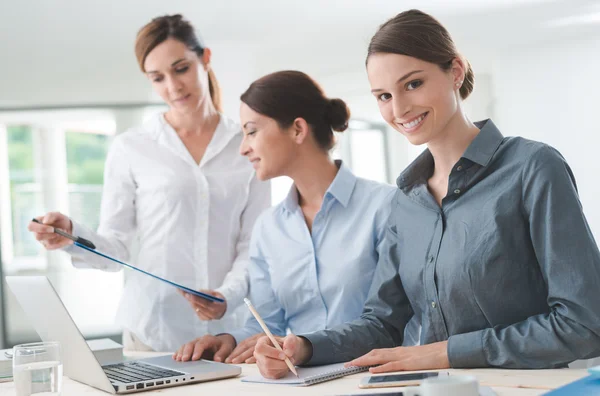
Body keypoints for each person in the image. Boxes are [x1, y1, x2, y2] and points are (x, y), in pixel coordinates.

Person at [253, 9, 600, 378]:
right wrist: (305, 346)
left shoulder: (532, 167)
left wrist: (447, 352)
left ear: (455, 72)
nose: (399, 109)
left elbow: (584, 324)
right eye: (384, 95)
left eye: (413, 84)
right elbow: (383, 323)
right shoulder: (405, 200)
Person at [27, 14, 271, 352]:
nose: (173, 87)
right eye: (158, 77)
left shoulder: (246, 144)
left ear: (205, 58)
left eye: (181, 68)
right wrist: (70, 233)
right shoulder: (133, 147)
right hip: (151, 329)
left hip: (227, 333)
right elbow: (116, 248)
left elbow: (253, 246)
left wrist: (226, 296)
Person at [172, 70, 420, 364]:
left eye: (252, 131)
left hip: (376, 381)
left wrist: (305, 347)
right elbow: (266, 327)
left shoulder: (386, 207)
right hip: (302, 384)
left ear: (298, 129)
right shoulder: (269, 228)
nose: (243, 148)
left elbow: (391, 324)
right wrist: (227, 341)